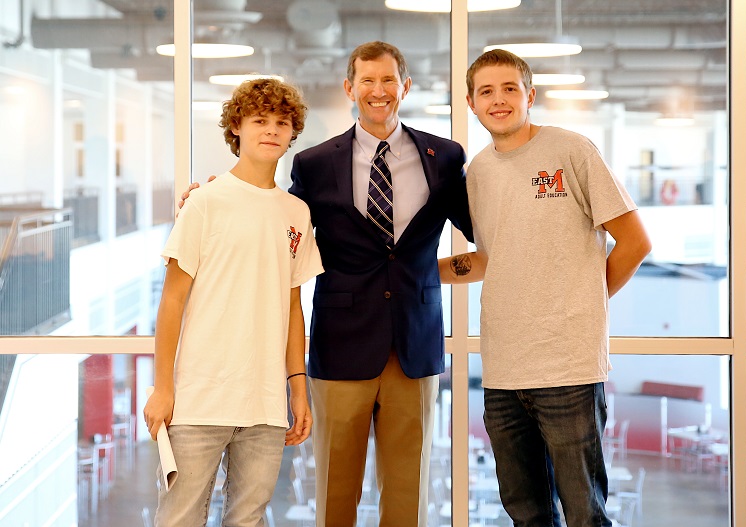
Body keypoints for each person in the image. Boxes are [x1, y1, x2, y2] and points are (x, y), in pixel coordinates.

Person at [179, 41, 473, 527]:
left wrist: (434, 273)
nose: (378, 91)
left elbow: (485, 228)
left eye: (388, 80)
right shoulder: (315, 164)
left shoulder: (443, 157)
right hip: (340, 345)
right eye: (367, 81)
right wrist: (211, 197)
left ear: (406, 87)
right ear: (350, 88)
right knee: (336, 492)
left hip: (415, 347)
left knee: (408, 493)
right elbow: (276, 221)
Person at [439, 49, 652, 527]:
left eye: (510, 89)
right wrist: (413, 273)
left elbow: (635, 242)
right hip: (503, 370)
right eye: (487, 92)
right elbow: (492, 258)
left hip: (568, 368)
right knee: (526, 512)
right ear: (471, 103)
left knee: (583, 514)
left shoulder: (570, 150)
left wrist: (584, 303)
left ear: (530, 96)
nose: (499, 100)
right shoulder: (478, 172)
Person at [144, 78, 324, 527]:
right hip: (198, 399)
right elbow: (172, 301)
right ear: (237, 129)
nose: (272, 130)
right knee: (179, 519)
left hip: (264, 402)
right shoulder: (204, 203)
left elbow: (292, 309)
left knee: (249, 519)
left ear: (292, 133)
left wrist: (297, 391)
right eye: (260, 120)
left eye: (282, 122)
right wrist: (163, 388)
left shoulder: (296, 213)